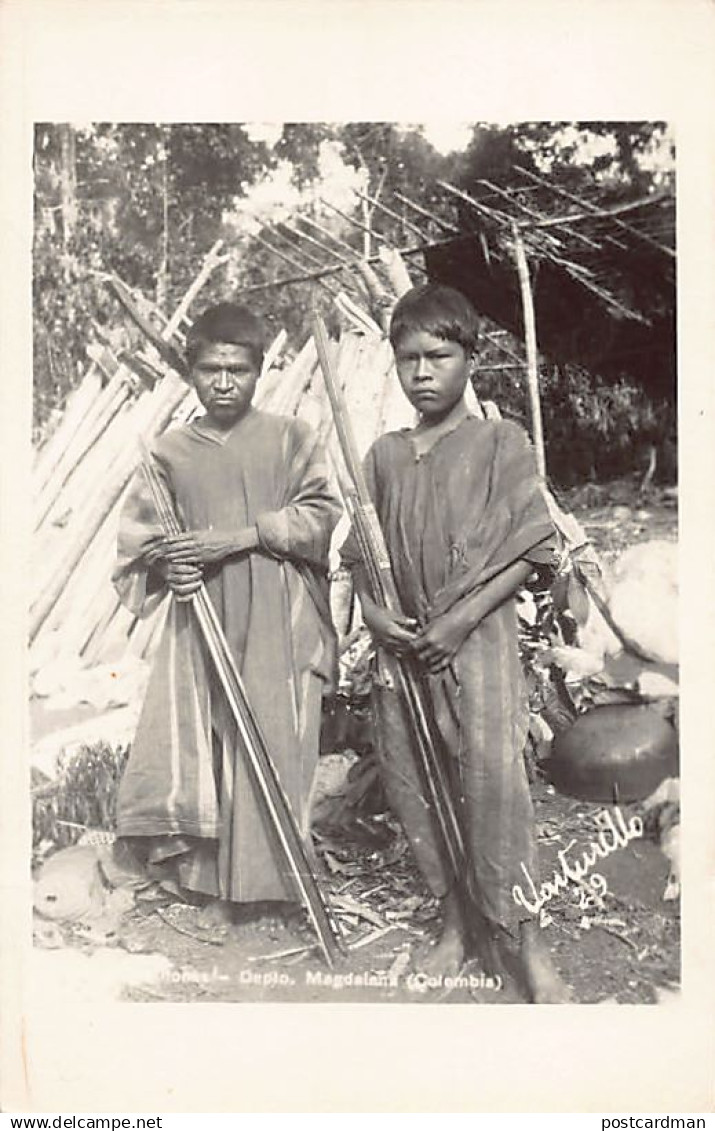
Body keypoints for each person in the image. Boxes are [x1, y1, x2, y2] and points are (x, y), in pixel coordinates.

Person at [341, 283, 570, 1002]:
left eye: (438, 356)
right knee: (416, 783)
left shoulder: (498, 442)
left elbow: (532, 545)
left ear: (470, 357)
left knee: (495, 787)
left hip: (475, 648)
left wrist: (458, 619)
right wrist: (378, 618)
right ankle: (454, 922)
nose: (422, 373)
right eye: (407, 359)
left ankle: (519, 935)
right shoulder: (382, 455)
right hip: (402, 654)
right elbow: (360, 554)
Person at [113, 303, 341, 923]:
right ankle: (216, 890)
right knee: (213, 745)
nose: (223, 382)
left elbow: (321, 515)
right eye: (210, 370)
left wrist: (240, 538)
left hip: (277, 613)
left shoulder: (292, 438)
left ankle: (279, 887)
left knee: (276, 742)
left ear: (258, 371)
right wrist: (168, 565)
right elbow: (139, 540)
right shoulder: (170, 452)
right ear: (191, 372)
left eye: (237, 370)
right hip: (204, 619)